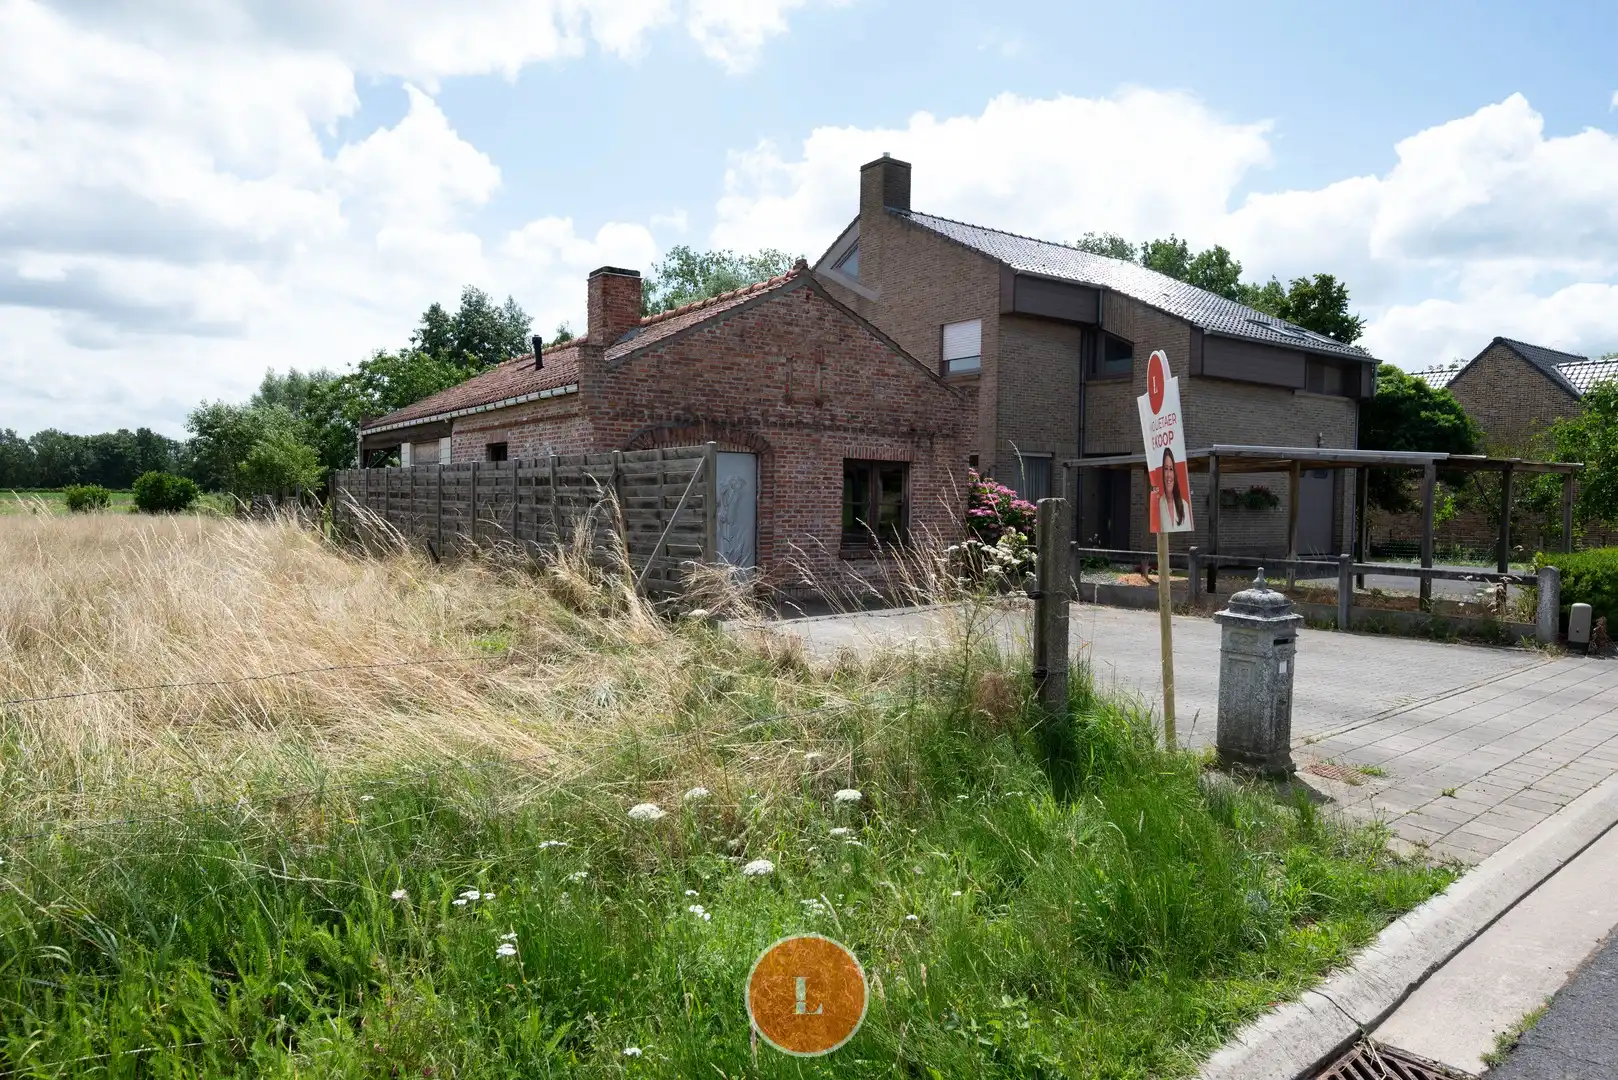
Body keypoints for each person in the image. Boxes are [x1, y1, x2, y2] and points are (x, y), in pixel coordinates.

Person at [1160, 446, 1187, 527]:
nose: (1168, 475)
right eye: (1165, 469)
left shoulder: (1185, 506)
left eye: (1171, 469)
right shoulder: (1158, 505)